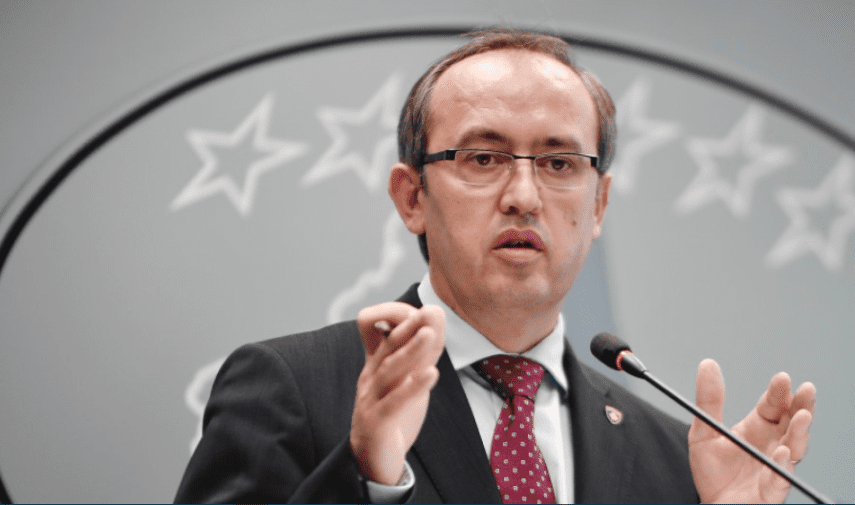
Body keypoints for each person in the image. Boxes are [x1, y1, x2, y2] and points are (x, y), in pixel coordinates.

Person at [175, 29, 815, 503]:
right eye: (484, 159)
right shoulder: (296, 389)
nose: (524, 196)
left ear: (598, 206)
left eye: (560, 164)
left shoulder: (674, 457)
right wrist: (368, 480)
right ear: (412, 197)